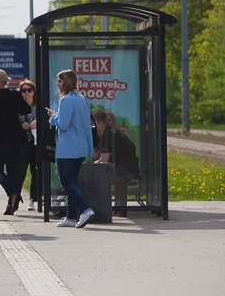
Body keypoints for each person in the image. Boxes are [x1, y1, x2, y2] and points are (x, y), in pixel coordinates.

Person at [46, 69, 95, 228]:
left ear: (66, 82)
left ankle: (85, 210)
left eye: (60, 81)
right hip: (81, 146)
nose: (57, 84)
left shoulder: (66, 100)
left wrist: (52, 117)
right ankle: (71, 216)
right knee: (72, 181)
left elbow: (64, 125)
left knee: (66, 181)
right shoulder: (81, 98)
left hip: (68, 148)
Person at [0, 69, 31, 215]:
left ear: (0, 81)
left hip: (1, 140)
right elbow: (26, 109)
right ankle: (12, 203)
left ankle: (12, 194)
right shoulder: (15, 94)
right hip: (17, 138)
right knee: (13, 171)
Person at [91, 109, 140, 216]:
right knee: (100, 173)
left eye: (92, 123)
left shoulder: (108, 135)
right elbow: (97, 155)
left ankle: (101, 210)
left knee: (96, 175)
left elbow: (103, 161)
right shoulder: (110, 132)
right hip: (128, 169)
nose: (92, 126)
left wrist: (90, 166)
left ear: (98, 122)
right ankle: (119, 209)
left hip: (124, 171)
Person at [18, 80, 40, 211]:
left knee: (36, 172)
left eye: (29, 90)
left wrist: (37, 124)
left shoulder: (38, 106)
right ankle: (15, 197)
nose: (26, 93)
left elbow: (45, 120)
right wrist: (21, 126)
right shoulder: (18, 107)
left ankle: (33, 199)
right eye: (23, 90)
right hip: (23, 142)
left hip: (36, 143)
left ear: (33, 92)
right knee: (20, 171)